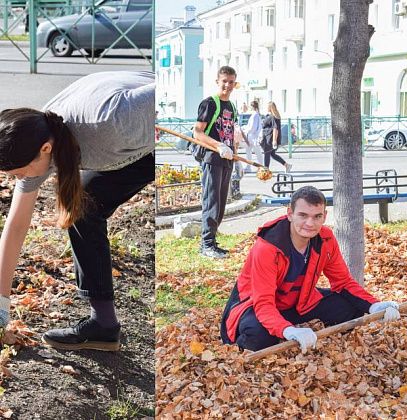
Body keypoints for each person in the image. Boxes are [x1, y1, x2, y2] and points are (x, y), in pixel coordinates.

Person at [0, 71, 155, 351]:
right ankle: (103, 325)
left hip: (148, 141)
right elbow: (16, 226)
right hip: (128, 146)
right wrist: (1, 302)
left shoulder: (113, 119)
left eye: (17, 174)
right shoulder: (37, 135)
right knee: (80, 205)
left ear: (46, 149)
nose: (18, 180)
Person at [220, 186, 400, 351]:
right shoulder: (267, 248)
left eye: (317, 216)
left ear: (325, 216)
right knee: (259, 336)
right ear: (290, 214)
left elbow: (342, 281)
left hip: (298, 299)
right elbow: (263, 302)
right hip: (254, 304)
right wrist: (287, 330)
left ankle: (323, 340)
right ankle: (254, 342)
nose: (310, 223)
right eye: (303, 215)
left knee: (351, 308)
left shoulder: (326, 238)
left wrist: (374, 305)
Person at [192, 66, 238, 259]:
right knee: (211, 201)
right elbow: (198, 132)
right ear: (217, 82)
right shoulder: (209, 104)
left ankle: (212, 241)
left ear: (235, 84)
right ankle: (206, 244)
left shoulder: (232, 106)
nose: (227, 85)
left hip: (227, 158)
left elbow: (229, 131)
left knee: (220, 203)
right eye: (224, 81)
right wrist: (218, 145)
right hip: (212, 158)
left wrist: (233, 150)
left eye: (231, 82)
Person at [261, 101, 292, 172]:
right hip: (269, 137)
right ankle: (287, 165)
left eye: (267, 106)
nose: (266, 108)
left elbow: (275, 129)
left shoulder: (273, 117)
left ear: (270, 107)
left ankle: (266, 171)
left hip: (270, 138)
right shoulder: (275, 116)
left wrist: (274, 140)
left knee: (267, 154)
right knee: (272, 154)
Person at [242, 100, 263, 172]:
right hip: (251, 136)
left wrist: (245, 129)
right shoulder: (256, 114)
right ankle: (249, 166)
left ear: (252, 106)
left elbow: (252, 128)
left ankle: (261, 166)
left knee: (257, 152)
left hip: (253, 137)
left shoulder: (255, 115)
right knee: (249, 151)